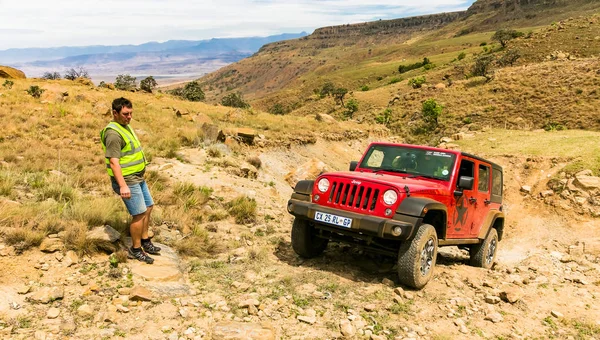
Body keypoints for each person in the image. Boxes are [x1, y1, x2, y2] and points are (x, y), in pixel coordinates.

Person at [100, 97, 160, 264]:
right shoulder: (113, 133)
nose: (129, 117)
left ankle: (145, 240)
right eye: (125, 114)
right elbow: (114, 162)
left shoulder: (125, 127)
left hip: (138, 177)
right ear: (115, 113)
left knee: (148, 207)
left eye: (131, 113)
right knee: (139, 214)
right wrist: (122, 185)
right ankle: (136, 248)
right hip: (127, 179)